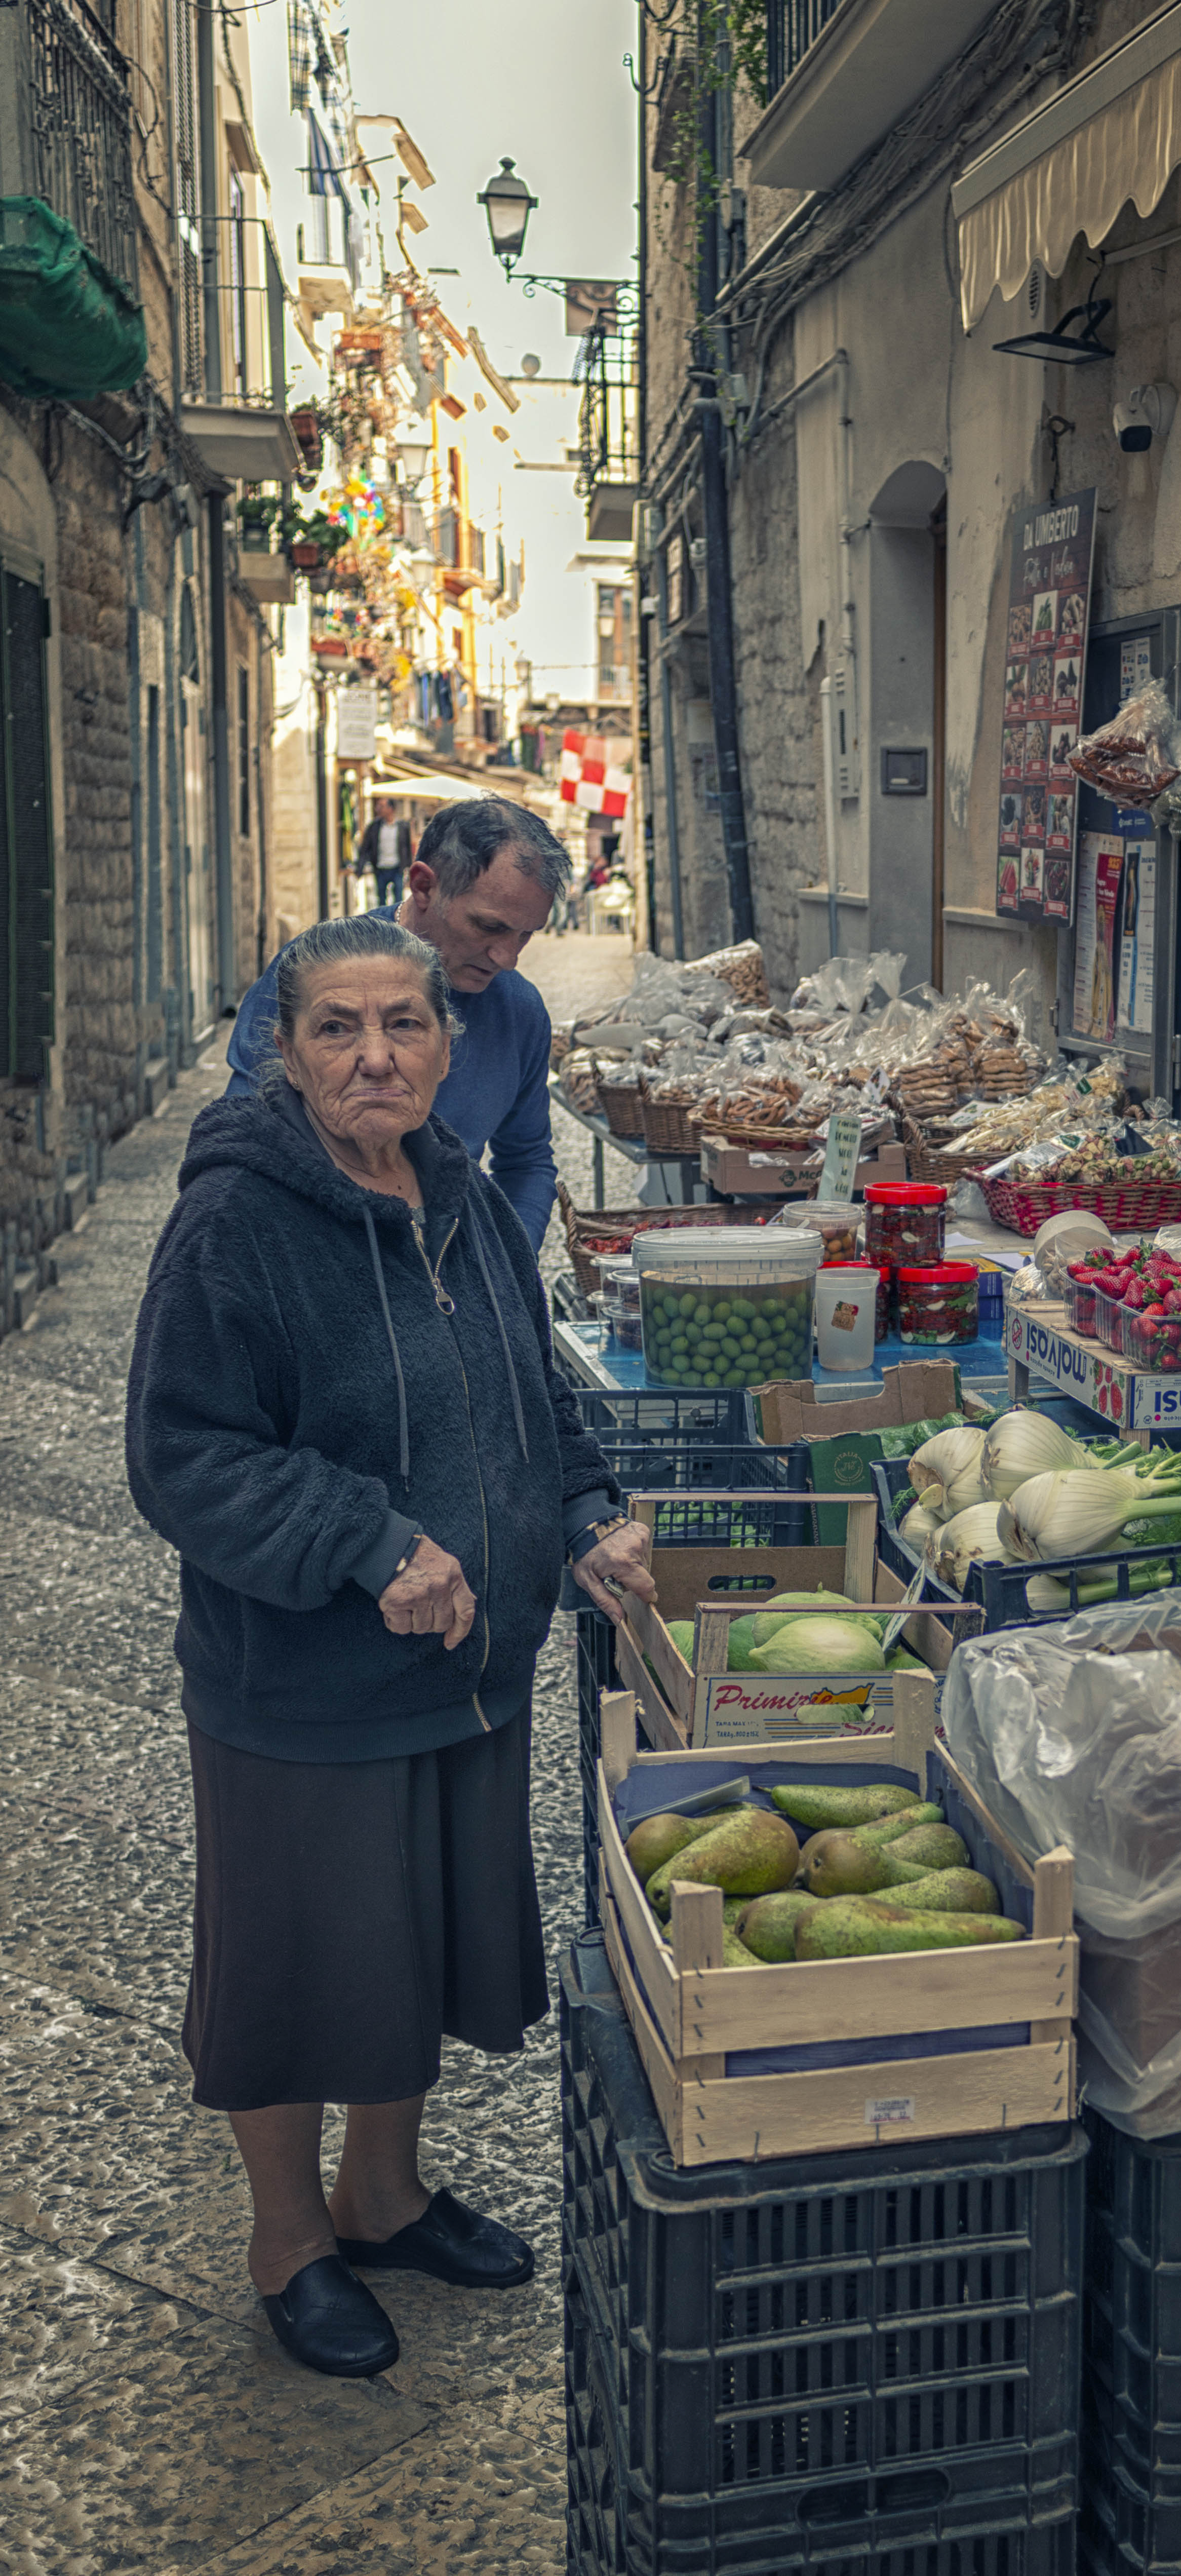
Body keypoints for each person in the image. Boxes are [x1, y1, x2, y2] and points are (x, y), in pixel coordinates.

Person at [127, 914, 656, 2381]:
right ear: (286, 1053)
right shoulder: (236, 1219)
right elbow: (183, 1454)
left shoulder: (460, 1192)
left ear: (447, 1039)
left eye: (403, 1025)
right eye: (337, 1029)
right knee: (300, 1961)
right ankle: (290, 2236)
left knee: (409, 1944)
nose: (376, 1055)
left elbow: (527, 1380)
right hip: (303, 1680)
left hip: (466, 1664)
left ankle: (385, 2191)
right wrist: (368, 1542)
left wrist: (590, 1507)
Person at [228, 798, 568, 1249]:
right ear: (424, 886)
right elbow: (238, 1145)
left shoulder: (520, 1011)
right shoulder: (316, 977)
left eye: (526, 934)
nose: (507, 957)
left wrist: (505, 1274)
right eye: (490, 927)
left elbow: (526, 1161)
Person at [358, 798, 414, 905]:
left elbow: (407, 847)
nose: (378, 809)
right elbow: (366, 848)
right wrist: (360, 867)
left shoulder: (402, 827)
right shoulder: (374, 827)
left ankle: (395, 922)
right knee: (381, 900)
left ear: (391, 809)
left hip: (397, 868)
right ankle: (383, 921)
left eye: (382, 806)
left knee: (398, 900)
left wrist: (410, 868)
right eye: (378, 806)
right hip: (380, 869)